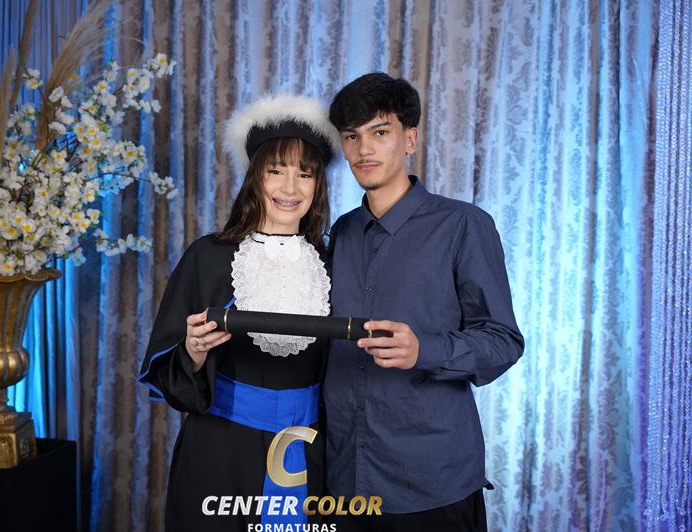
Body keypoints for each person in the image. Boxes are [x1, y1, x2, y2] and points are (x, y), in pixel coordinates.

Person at [324, 72, 525, 532]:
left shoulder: (464, 225)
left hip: (431, 482)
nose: (364, 150)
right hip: (345, 478)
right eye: (351, 137)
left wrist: (425, 350)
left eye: (380, 132)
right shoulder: (342, 232)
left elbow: (503, 341)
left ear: (410, 139)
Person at [138, 94, 341, 531]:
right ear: (255, 177)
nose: (290, 188)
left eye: (304, 174)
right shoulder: (207, 257)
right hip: (220, 452)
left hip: (307, 452)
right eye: (276, 171)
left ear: (318, 184)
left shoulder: (333, 264)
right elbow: (168, 372)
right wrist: (193, 352)